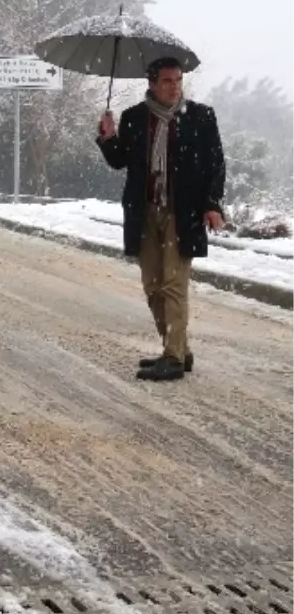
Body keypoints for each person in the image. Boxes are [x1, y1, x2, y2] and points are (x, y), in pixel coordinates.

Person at [97, 56, 226, 382]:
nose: (174, 87)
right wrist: (108, 137)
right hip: (144, 211)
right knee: (153, 286)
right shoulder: (134, 118)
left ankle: (172, 356)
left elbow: (215, 163)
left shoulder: (200, 117)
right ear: (152, 84)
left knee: (173, 284)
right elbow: (119, 161)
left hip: (183, 213)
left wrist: (212, 203)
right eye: (167, 81)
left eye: (178, 80)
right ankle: (179, 349)